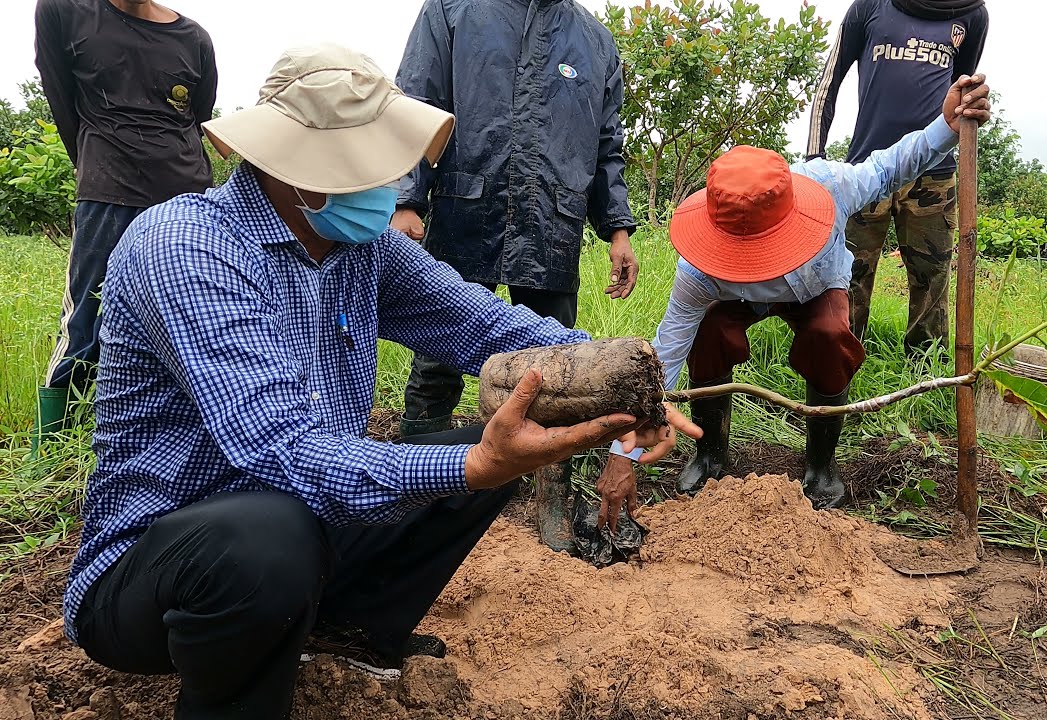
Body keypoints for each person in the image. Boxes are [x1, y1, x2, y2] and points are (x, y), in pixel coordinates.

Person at [63, 44, 696, 720]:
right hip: (158, 575)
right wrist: (473, 466)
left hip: (304, 534)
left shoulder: (363, 251)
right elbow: (280, 451)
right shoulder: (187, 247)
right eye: (368, 163)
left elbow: (487, 327)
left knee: (496, 439)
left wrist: (629, 380)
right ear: (299, 168)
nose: (389, 182)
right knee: (273, 536)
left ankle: (344, 631)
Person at [592, 75, 991, 523]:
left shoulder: (831, 185)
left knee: (829, 336)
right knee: (707, 332)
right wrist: (619, 452)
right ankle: (711, 456)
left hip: (814, 289)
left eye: (766, 248)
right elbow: (663, 356)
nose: (760, 262)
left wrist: (947, 125)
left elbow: (889, 167)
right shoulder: (698, 269)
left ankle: (821, 464)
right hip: (735, 300)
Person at [392, 0, 639, 547]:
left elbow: (606, 148)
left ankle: (552, 502)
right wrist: (407, 200)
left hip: (551, 221)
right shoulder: (453, 12)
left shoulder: (595, 42)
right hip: (464, 208)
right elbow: (415, 105)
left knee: (558, 373)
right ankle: (418, 498)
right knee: (437, 360)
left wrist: (618, 228)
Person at [32, 0, 218, 453]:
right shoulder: (63, 10)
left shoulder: (193, 37)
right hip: (106, 190)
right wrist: (97, 164)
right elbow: (61, 100)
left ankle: (178, 436)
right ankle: (52, 449)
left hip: (185, 195)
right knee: (86, 316)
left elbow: (199, 116)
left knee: (195, 318)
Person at [805, 0, 988, 359]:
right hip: (865, 174)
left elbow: (961, 90)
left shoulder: (971, 13)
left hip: (933, 174)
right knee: (847, 277)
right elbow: (829, 83)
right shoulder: (870, 6)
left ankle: (925, 373)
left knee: (932, 278)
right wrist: (815, 162)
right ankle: (837, 367)